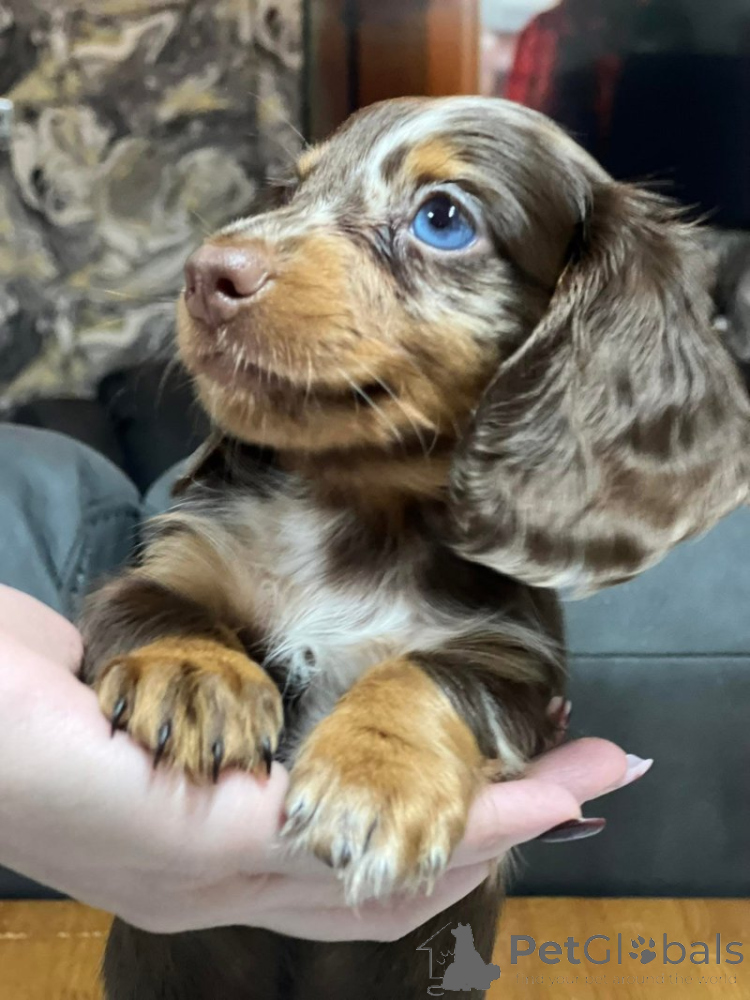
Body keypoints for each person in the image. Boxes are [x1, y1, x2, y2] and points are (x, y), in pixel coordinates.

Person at [0, 426, 647, 939]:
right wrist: (179, 651)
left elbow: (513, 681)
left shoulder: (496, 562)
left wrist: (404, 732)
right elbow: (135, 609)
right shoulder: (229, 508)